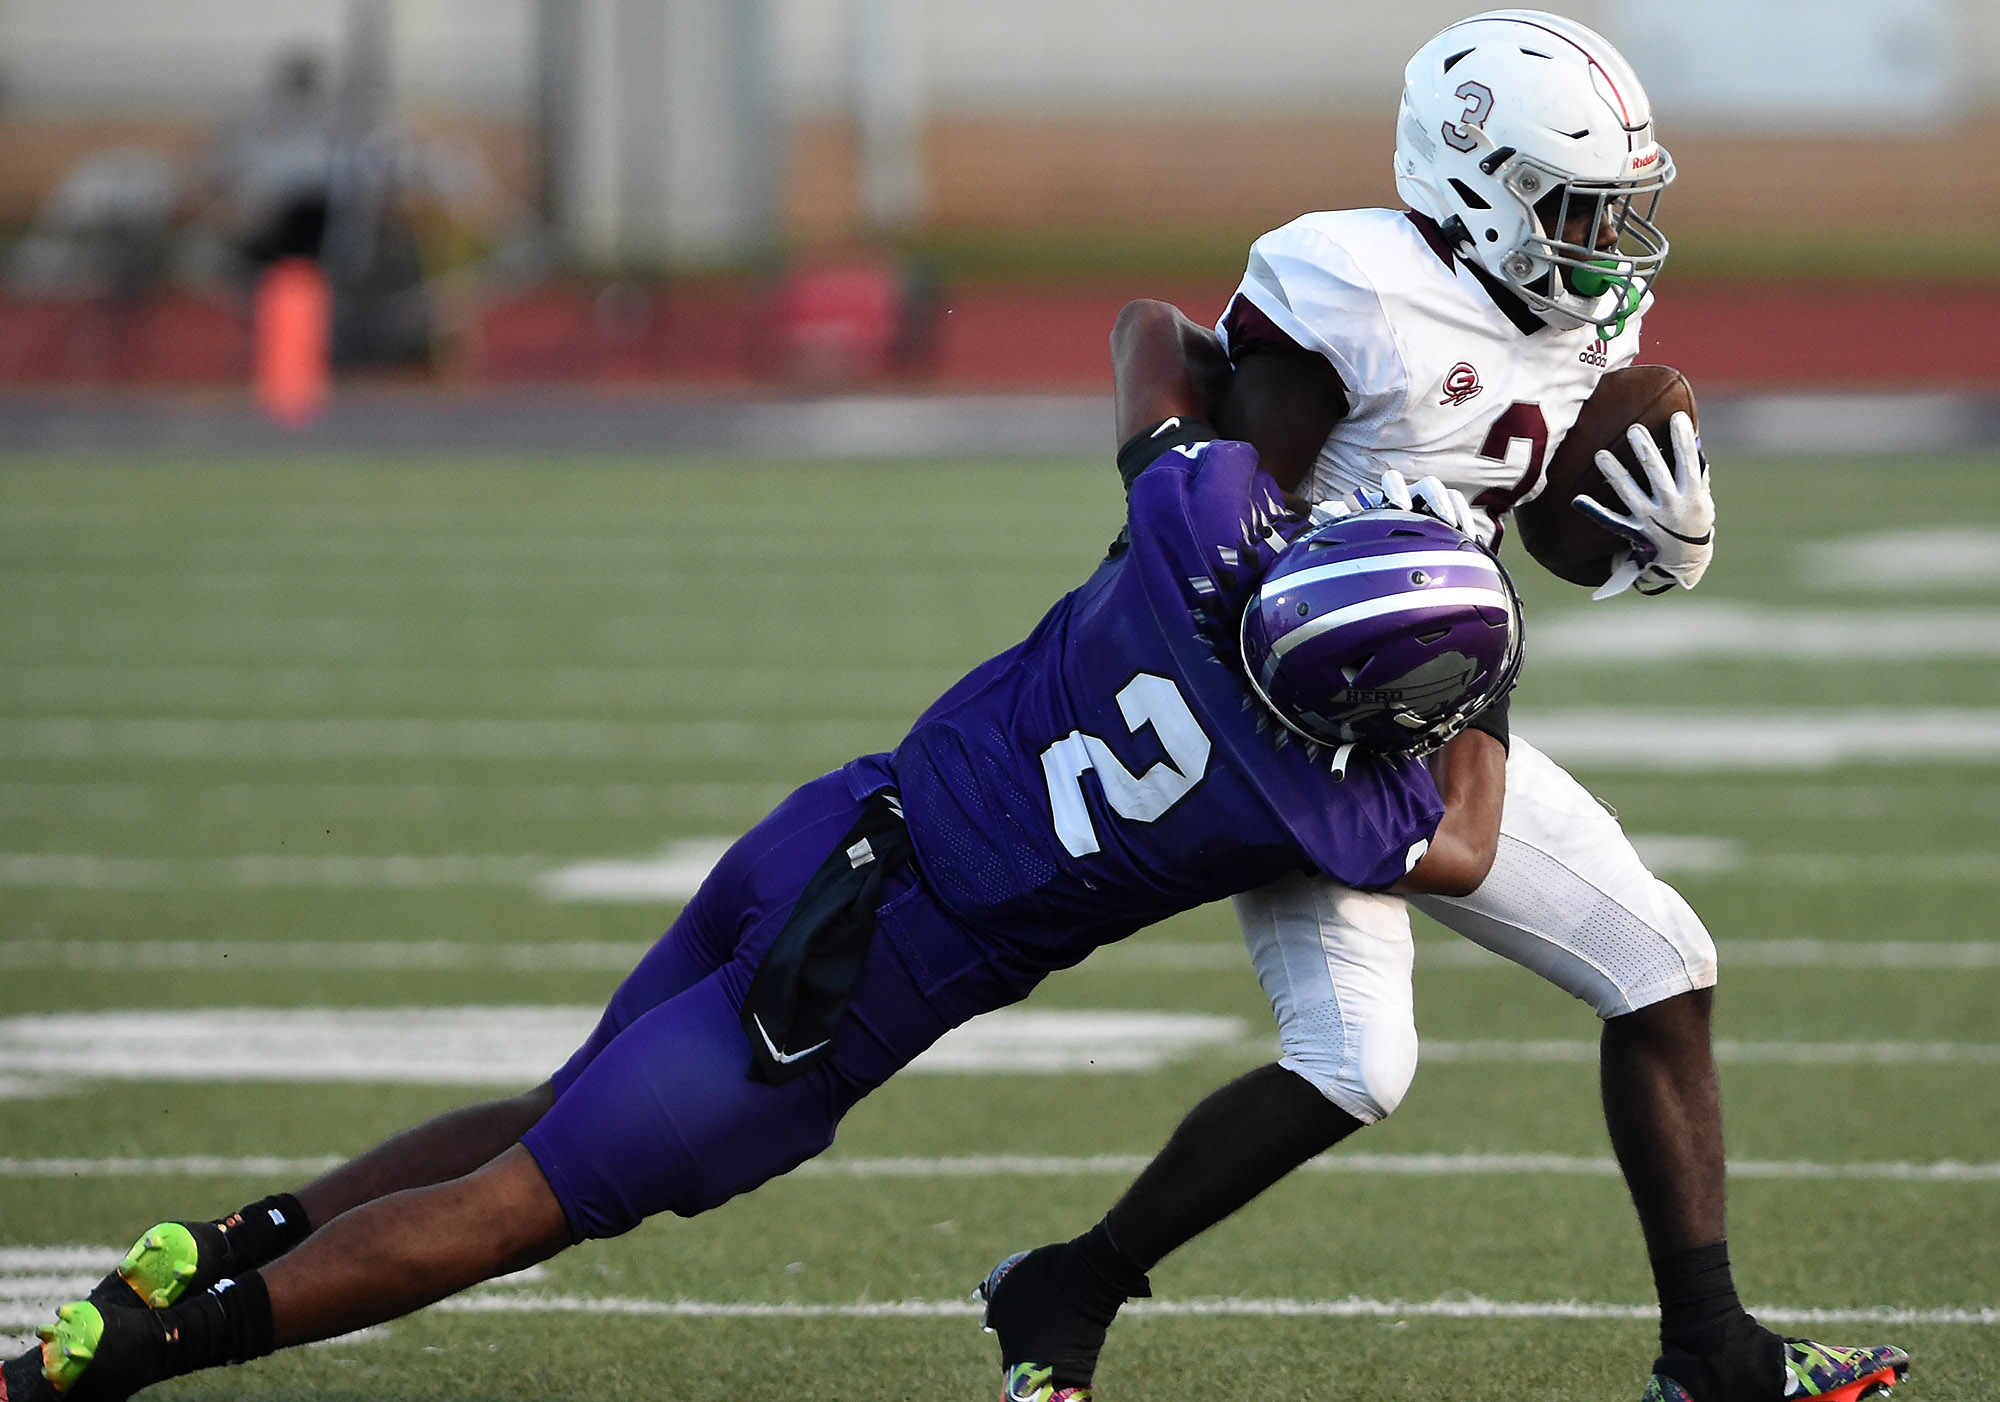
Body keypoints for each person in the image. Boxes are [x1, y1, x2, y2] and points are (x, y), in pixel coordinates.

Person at [2, 366, 1519, 1399]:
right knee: (518, 1205)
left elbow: (1156, 348)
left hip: (820, 836)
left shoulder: (1197, 527)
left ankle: (225, 1241)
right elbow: (1464, 838)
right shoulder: (1311, 796)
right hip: (834, 999)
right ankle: (137, 1352)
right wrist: (1484, 696)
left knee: (552, 1107)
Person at [976, 12, 1908, 1402]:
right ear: (1479, 182)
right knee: (1359, 1062)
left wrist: (1654, 535)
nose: (1606, 238)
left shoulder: (1579, 309)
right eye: (1577, 206)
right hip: (1292, 719)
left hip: (1441, 703)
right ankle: (1071, 1281)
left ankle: (1711, 1349)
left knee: (1662, 964)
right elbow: (1218, 516)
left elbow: (1513, 501)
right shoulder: (1354, 290)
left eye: (1618, 206)